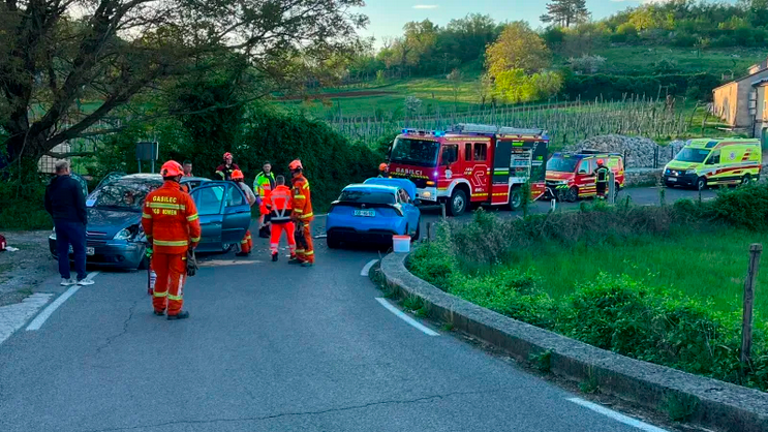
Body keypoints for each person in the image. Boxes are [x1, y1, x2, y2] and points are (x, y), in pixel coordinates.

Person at [141, 160, 201, 320]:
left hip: (159, 246)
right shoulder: (184, 197)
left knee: (160, 276)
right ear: (179, 177)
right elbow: (194, 225)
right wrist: (194, 243)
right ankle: (174, 310)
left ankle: (158, 307)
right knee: (177, 278)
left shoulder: (152, 196)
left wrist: (152, 239)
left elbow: (146, 223)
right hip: (178, 248)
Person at [45, 160, 93, 286]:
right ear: (66, 169)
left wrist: (55, 215)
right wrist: (84, 220)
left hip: (59, 221)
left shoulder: (51, 185)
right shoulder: (74, 184)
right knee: (79, 249)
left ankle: (65, 278)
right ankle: (81, 276)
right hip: (74, 221)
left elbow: (47, 204)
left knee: (62, 250)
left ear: (56, 170)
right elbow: (80, 204)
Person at [289, 160, 314, 267]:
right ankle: (300, 257)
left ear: (296, 170)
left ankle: (309, 259)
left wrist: (296, 215)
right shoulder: (299, 181)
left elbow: (299, 200)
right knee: (298, 235)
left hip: (302, 216)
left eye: (292, 170)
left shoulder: (299, 183)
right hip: (301, 215)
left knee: (304, 236)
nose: (291, 172)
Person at [265, 175, 296, 262]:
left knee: (274, 237)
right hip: (288, 219)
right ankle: (293, 253)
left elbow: (268, 206)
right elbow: (294, 204)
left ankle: (274, 253)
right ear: (284, 182)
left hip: (275, 219)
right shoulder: (289, 192)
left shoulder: (272, 193)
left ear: (276, 183)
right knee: (290, 236)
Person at [231, 169, 257, 257]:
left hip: (237, 212)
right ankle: (249, 247)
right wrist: (248, 207)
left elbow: (230, 202)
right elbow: (253, 198)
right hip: (246, 211)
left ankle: (244, 250)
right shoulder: (245, 186)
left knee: (241, 232)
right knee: (246, 230)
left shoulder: (233, 188)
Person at [254, 162, 276, 238]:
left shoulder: (272, 175)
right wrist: (257, 196)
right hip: (262, 199)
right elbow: (255, 186)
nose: (267, 168)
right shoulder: (260, 176)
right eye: (265, 167)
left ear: (270, 167)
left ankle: (267, 228)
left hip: (270, 199)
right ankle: (261, 230)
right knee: (264, 215)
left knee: (269, 215)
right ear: (263, 167)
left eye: (268, 166)